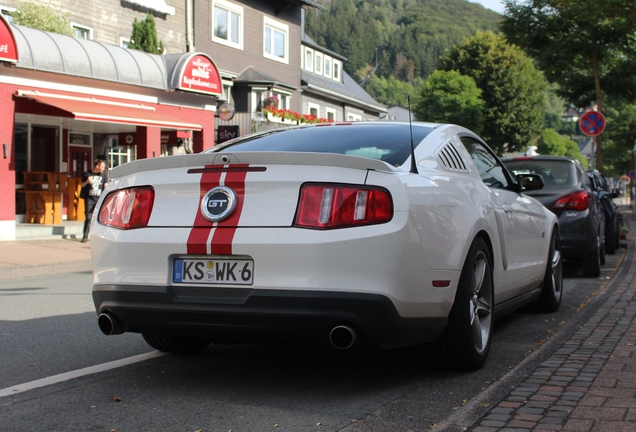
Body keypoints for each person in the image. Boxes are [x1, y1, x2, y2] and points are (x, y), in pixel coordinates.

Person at [80, 159, 108, 242]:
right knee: (88, 217)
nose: (103, 169)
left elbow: (105, 185)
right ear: (97, 166)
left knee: (100, 218)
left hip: (99, 200)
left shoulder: (104, 175)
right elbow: (81, 184)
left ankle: (99, 237)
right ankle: (85, 236)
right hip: (89, 199)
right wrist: (87, 181)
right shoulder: (87, 174)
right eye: (102, 167)